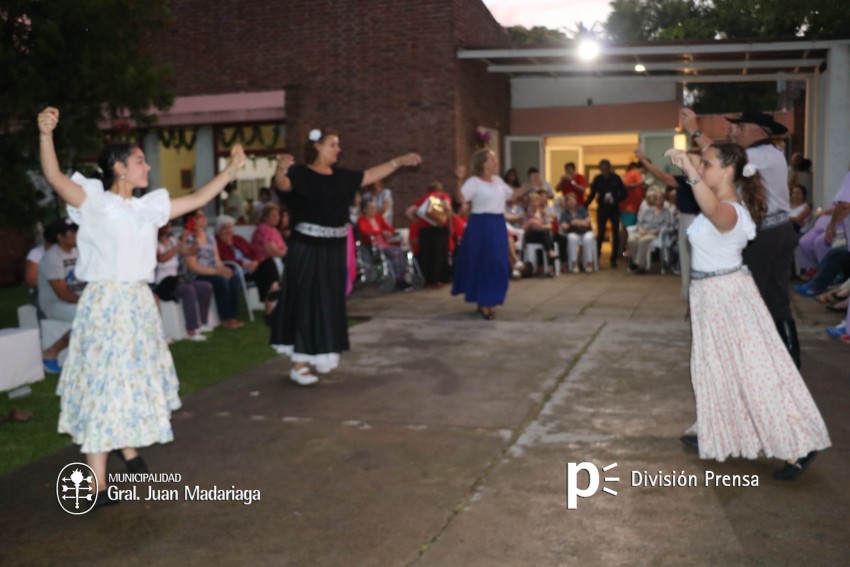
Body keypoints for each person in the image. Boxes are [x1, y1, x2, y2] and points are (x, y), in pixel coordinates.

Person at [37, 106, 246, 507]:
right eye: (139, 160)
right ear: (118, 168)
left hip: (136, 301)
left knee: (130, 378)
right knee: (104, 381)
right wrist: (46, 135)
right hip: (106, 302)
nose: (147, 166)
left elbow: (201, 196)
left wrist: (231, 170)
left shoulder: (148, 207)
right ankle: (96, 485)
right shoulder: (95, 202)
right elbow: (54, 177)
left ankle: (125, 446)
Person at [665, 143, 830, 481]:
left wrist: (693, 170)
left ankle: (799, 443)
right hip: (710, 297)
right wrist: (688, 155)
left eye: (708, 165)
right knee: (716, 370)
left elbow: (711, 209)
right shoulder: (717, 189)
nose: (701, 168)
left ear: (727, 171)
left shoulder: (732, 211)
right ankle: (717, 432)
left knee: (756, 374)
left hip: (729, 299)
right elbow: (700, 165)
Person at [269, 127, 421, 386]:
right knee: (306, 301)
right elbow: (282, 184)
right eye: (333, 144)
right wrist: (281, 168)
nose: (338, 149)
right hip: (307, 249)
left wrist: (399, 161)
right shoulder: (301, 174)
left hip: (334, 250)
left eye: (338, 145)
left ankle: (323, 355)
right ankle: (299, 364)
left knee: (329, 302)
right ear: (317, 146)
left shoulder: (341, 177)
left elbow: (371, 174)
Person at [682, 108, 802, 368]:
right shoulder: (773, 154)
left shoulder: (759, 155)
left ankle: (755, 360)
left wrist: (695, 130)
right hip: (778, 231)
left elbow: (723, 158)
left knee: (750, 299)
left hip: (765, 237)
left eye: (740, 126)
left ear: (757, 130)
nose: (733, 130)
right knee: (777, 298)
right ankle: (789, 359)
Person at [452, 149, 533, 320]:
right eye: (491, 159)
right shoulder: (473, 182)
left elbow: (513, 195)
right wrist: (459, 178)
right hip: (480, 225)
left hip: (497, 224)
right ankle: (485, 303)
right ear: (482, 163)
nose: (495, 161)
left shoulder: (497, 181)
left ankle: (490, 299)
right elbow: (461, 199)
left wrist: (529, 184)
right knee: (483, 263)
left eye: (495, 159)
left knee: (498, 262)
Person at [635, 148, 702, 302]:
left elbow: (660, 176)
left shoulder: (690, 180)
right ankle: (691, 292)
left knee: (689, 256)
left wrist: (644, 160)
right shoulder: (688, 179)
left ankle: (692, 292)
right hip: (691, 218)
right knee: (688, 257)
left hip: (692, 219)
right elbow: (661, 176)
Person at [183, 209, 244, 329]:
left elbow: (217, 260)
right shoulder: (188, 239)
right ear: (192, 220)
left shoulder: (210, 237)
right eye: (200, 216)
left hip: (212, 271)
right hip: (197, 274)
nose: (205, 217)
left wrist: (223, 269)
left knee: (233, 277)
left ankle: (232, 316)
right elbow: (193, 267)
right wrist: (217, 272)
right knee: (220, 280)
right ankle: (225, 318)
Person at [37, 219, 84, 373]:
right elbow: (62, 294)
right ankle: (51, 351)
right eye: (72, 232)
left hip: (76, 300)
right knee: (88, 317)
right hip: (55, 304)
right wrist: (88, 302)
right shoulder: (52, 257)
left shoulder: (77, 252)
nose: (76, 235)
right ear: (60, 237)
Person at [154, 222, 213, 341]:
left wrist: (194, 240)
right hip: (162, 284)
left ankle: (202, 323)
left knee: (205, 287)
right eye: (167, 225)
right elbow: (162, 259)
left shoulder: (173, 241)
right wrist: (178, 247)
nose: (169, 227)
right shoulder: (154, 244)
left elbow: (191, 252)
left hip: (175, 280)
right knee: (188, 290)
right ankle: (192, 330)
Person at [406, 181, 453, 287]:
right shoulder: (442, 196)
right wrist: (449, 223)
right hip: (438, 230)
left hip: (424, 231)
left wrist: (418, 221)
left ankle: (426, 280)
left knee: (426, 255)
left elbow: (409, 212)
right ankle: (437, 280)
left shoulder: (424, 198)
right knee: (438, 255)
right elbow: (447, 208)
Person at [586, 159, 626, 268]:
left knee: (615, 233)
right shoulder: (597, 179)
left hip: (614, 208)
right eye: (601, 169)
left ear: (609, 168)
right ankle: (597, 257)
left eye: (605, 168)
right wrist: (585, 205)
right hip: (602, 208)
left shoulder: (616, 178)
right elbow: (592, 194)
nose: (604, 171)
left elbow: (624, 193)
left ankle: (614, 259)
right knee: (601, 233)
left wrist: (614, 198)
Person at [627, 189, 671, 274]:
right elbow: (639, 222)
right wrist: (640, 229)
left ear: (663, 199)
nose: (659, 200)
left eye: (661, 198)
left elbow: (666, 226)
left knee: (643, 241)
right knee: (631, 240)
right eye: (657, 198)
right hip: (642, 231)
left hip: (654, 234)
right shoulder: (648, 211)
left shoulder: (666, 212)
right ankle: (634, 262)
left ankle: (640, 266)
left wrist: (651, 232)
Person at [558, 192, 595, 272]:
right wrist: (574, 222)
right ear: (566, 202)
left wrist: (574, 222)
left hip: (585, 231)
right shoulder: (564, 212)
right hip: (573, 232)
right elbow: (564, 226)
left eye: (573, 200)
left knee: (588, 239)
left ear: (576, 201)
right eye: (569, 200)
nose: (571, 202)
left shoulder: (581, 209)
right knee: (572, 238)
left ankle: (589, 263)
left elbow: (588, 222)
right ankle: (575, 263)